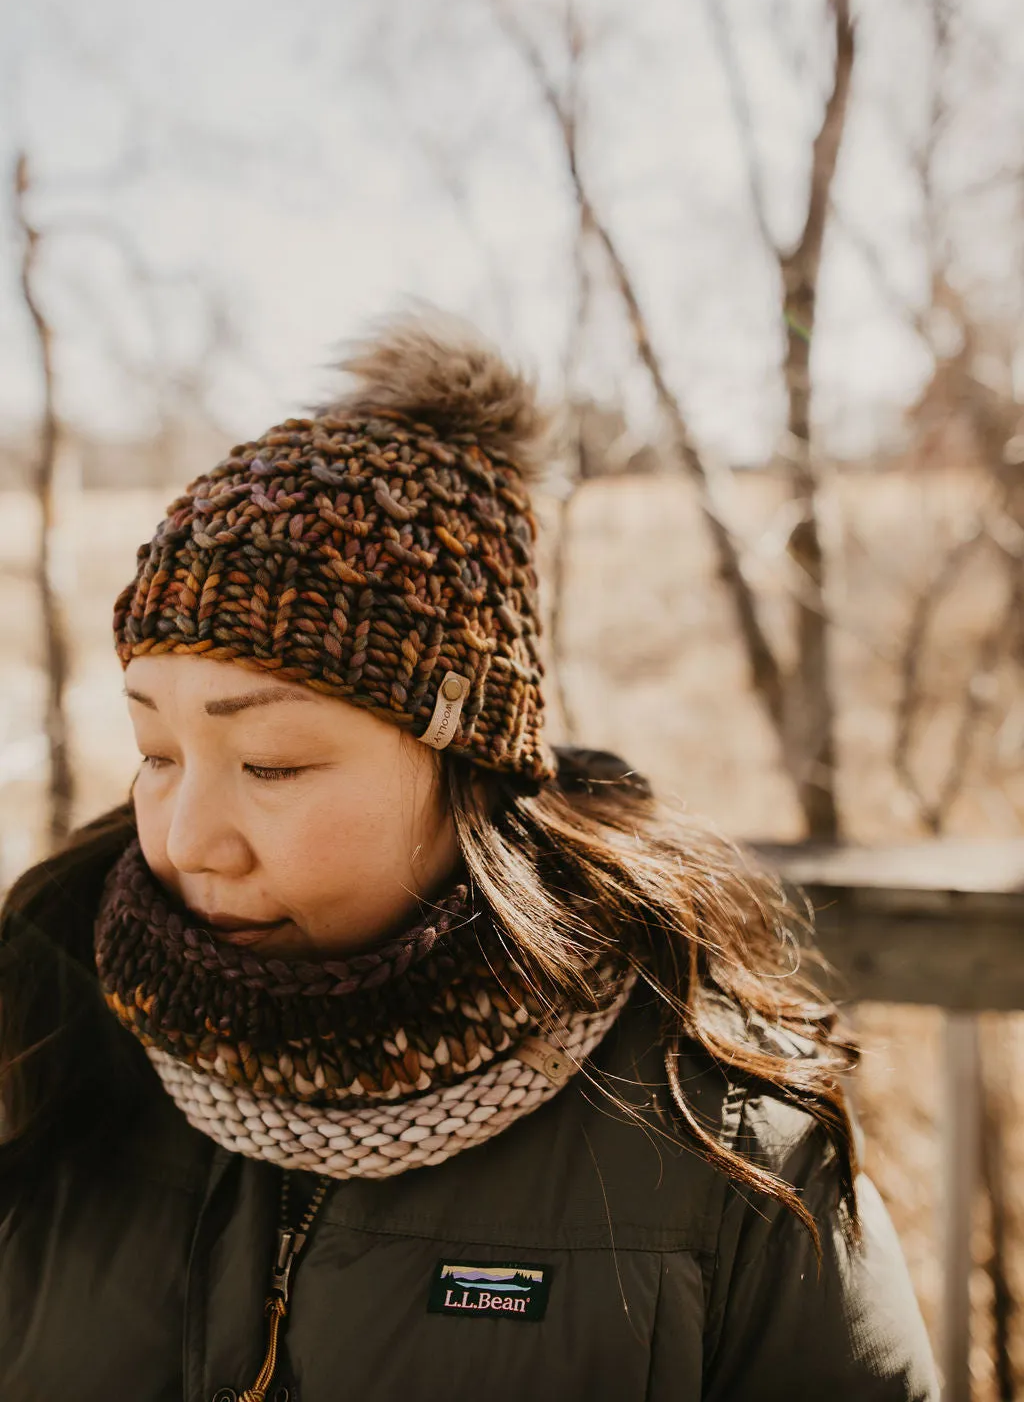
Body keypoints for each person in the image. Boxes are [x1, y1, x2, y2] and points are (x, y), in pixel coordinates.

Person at [0, 310, 937, 1401]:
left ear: (470, 761)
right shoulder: (43, 1048)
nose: (185, 840)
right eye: (156, 750)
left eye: (272, 763)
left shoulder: (720, 1146)